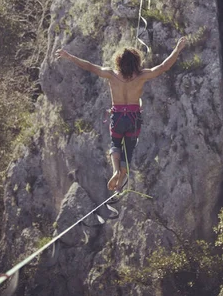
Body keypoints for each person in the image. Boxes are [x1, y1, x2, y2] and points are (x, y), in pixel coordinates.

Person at [55, 37, 187, 191]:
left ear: (118, 61)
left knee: (115, 145)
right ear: (136, 62)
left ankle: (116, 170)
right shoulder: (142, 75)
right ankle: (120, 181)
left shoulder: (111, 75)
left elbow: (90, 67)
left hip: (117, 117)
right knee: (128, 149)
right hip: (133, 118)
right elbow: (163, 67)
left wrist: (69, 56)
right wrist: (177, 50)